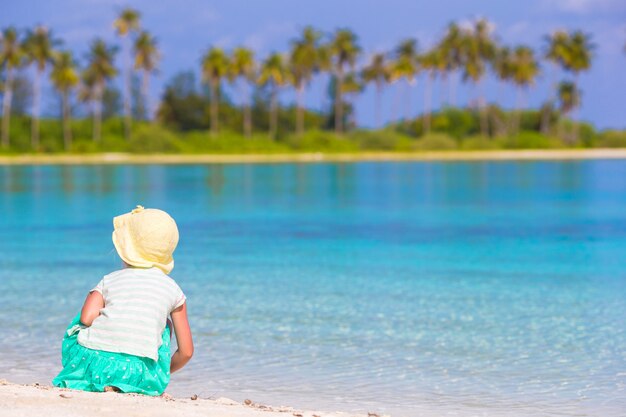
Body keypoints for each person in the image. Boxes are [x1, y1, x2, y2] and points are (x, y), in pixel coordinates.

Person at [52, 205, 193, 396]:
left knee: (82, 319)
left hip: (91, 365)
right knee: (165, 324)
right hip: (139, 374)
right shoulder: (174, 290)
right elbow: (186, 352)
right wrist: (160, 371)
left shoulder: (109, 279)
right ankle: (139, 382)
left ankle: (87, 376)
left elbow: (86, 319)